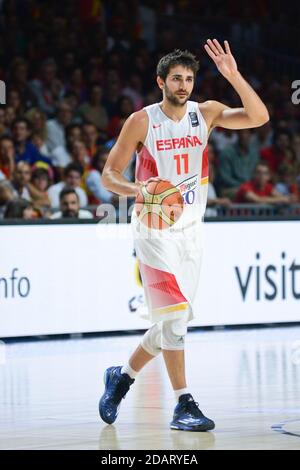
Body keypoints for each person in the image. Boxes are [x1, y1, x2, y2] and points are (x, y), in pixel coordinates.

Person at [99, 43, 269, 432]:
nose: (183, 84)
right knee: (175, 322)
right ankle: (183, 404)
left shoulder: (206, 113)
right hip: (154, 230)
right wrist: (139, 190)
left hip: (192, 232)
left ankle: (120, 378)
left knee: (169, 326)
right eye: (176, 77)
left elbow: (259, 117)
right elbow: (110, 174)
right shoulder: (141, 121)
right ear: (160, 81)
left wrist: (233, 77)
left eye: (189, 78)